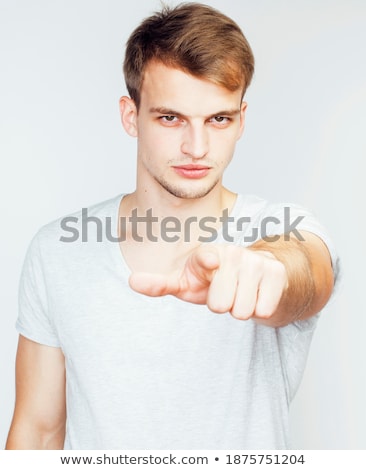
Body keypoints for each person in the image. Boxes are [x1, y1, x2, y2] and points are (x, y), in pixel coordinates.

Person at [6, 2, 338, 450]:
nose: (196, 147)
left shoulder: (283, 227)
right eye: (171, 118)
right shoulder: (57, 250)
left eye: (218, 119)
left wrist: (267, 267)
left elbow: (307, 273)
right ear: (131, 116)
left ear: (242, 120)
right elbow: (38, 432)